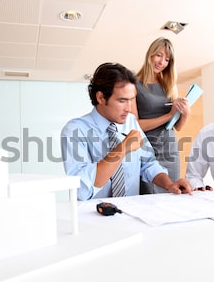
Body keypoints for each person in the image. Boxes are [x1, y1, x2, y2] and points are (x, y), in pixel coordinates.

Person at [61, 62, 192, 201]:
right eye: (122, 101)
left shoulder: (130, 122)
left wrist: (169, 184)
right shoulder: (75, 130)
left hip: (130, 212)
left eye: (132, 99)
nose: (129, 108)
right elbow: (81, 190)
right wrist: (122, 149)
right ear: (100, 98)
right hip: (93, 215)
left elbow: (149, 164)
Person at [131, 37, 191, 194]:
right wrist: (168, 116)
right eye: (158, 55)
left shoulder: (169, 85)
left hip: (170, 149)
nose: (161, 62)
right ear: (149, 54)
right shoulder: (133, 85)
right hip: (148, 149)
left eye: (167, 59)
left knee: (173, 194)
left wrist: (185, 113)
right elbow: (135, 125)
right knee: (149, 196)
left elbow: (177, 126)